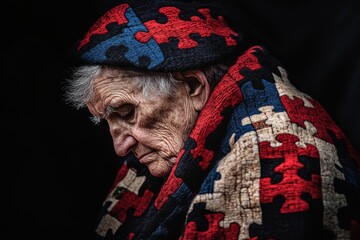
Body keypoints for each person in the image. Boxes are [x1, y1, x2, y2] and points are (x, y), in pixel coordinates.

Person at [64, 0, 360, 239]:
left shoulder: (276, 160)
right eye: (107, 121)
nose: (120, 148)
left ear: (193, 87)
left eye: (128, 113)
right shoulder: (172, 144)